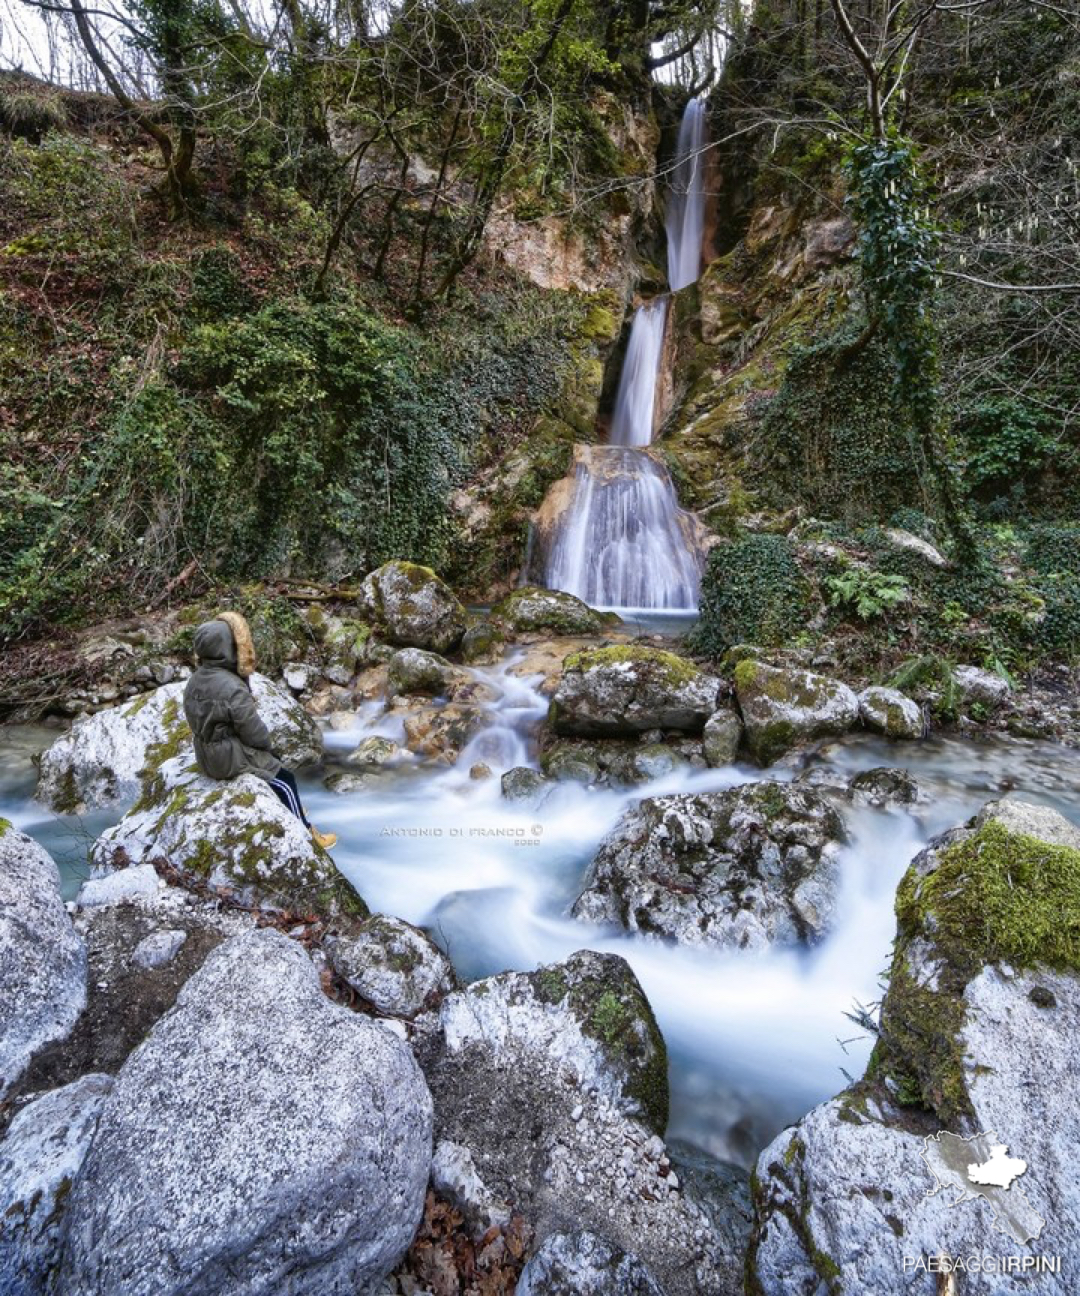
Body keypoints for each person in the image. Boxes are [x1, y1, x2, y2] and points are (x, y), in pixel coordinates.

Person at [183, 611, 337, 850]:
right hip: (227, 757)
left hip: (205, 754)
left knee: (271, 765)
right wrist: (268, 747)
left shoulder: (196, 679)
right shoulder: (231, 686)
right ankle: (306, 830)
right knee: (284, 777)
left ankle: (289, 804)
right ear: (227, 647)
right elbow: (252, 730)